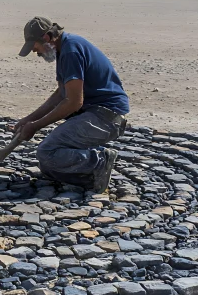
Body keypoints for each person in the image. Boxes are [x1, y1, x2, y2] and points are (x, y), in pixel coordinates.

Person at [14, 16, 130, 193]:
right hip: (95, 114)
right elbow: (61, 94)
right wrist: (28, 120)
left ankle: (99, 160)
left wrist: (35, 126)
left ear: (46, 38)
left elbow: (74, 102)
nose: (34, 52)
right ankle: (90, 178)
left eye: (34, 46)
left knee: (47, 153)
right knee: (50, 167)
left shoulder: (71, 51)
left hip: (105, 117)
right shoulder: (65, 48)